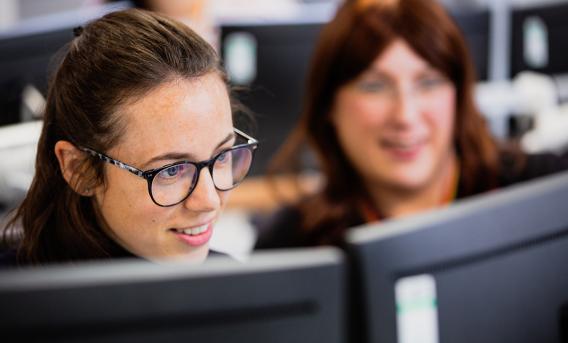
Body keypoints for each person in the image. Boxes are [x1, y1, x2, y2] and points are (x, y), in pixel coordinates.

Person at [255, 0, 568, 249]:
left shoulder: (547, 194)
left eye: (429, 83)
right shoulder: (293, 245)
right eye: (374, 86)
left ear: (458, 97)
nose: (405, 116)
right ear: (329, 106)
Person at [0, 8, 258, 267]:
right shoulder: (15, 300)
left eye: (222, 156)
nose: (209, 201)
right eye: (172, 170)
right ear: (79, 169)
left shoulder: (235, 282)